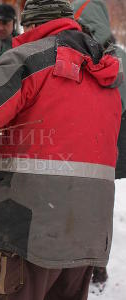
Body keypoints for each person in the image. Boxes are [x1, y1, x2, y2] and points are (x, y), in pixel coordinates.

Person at [0, 0, 122, 299]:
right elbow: (55, 152)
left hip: (32, 227)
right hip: (89, 228)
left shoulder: (33, 57)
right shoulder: (104, 73)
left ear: (33, 26)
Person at [73, 0, 126, 287]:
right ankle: (86, 263)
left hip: (102, 148)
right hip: (88, 147)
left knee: (96, 209)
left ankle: (96, 265)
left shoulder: (116, 59)